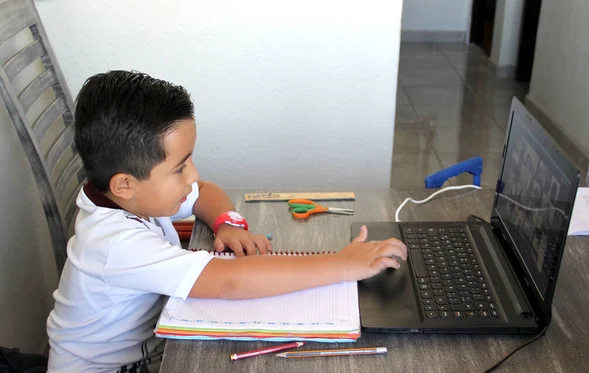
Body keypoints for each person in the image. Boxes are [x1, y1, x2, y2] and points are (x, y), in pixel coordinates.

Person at [46, 70, 407, 373]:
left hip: (148, 348)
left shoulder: (129, 195)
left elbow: (203, 190)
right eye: (179, 167)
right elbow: (231, 282)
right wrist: (340, 265)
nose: (192, 174)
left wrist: (227, 223)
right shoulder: (113, 244)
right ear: (124, 184)